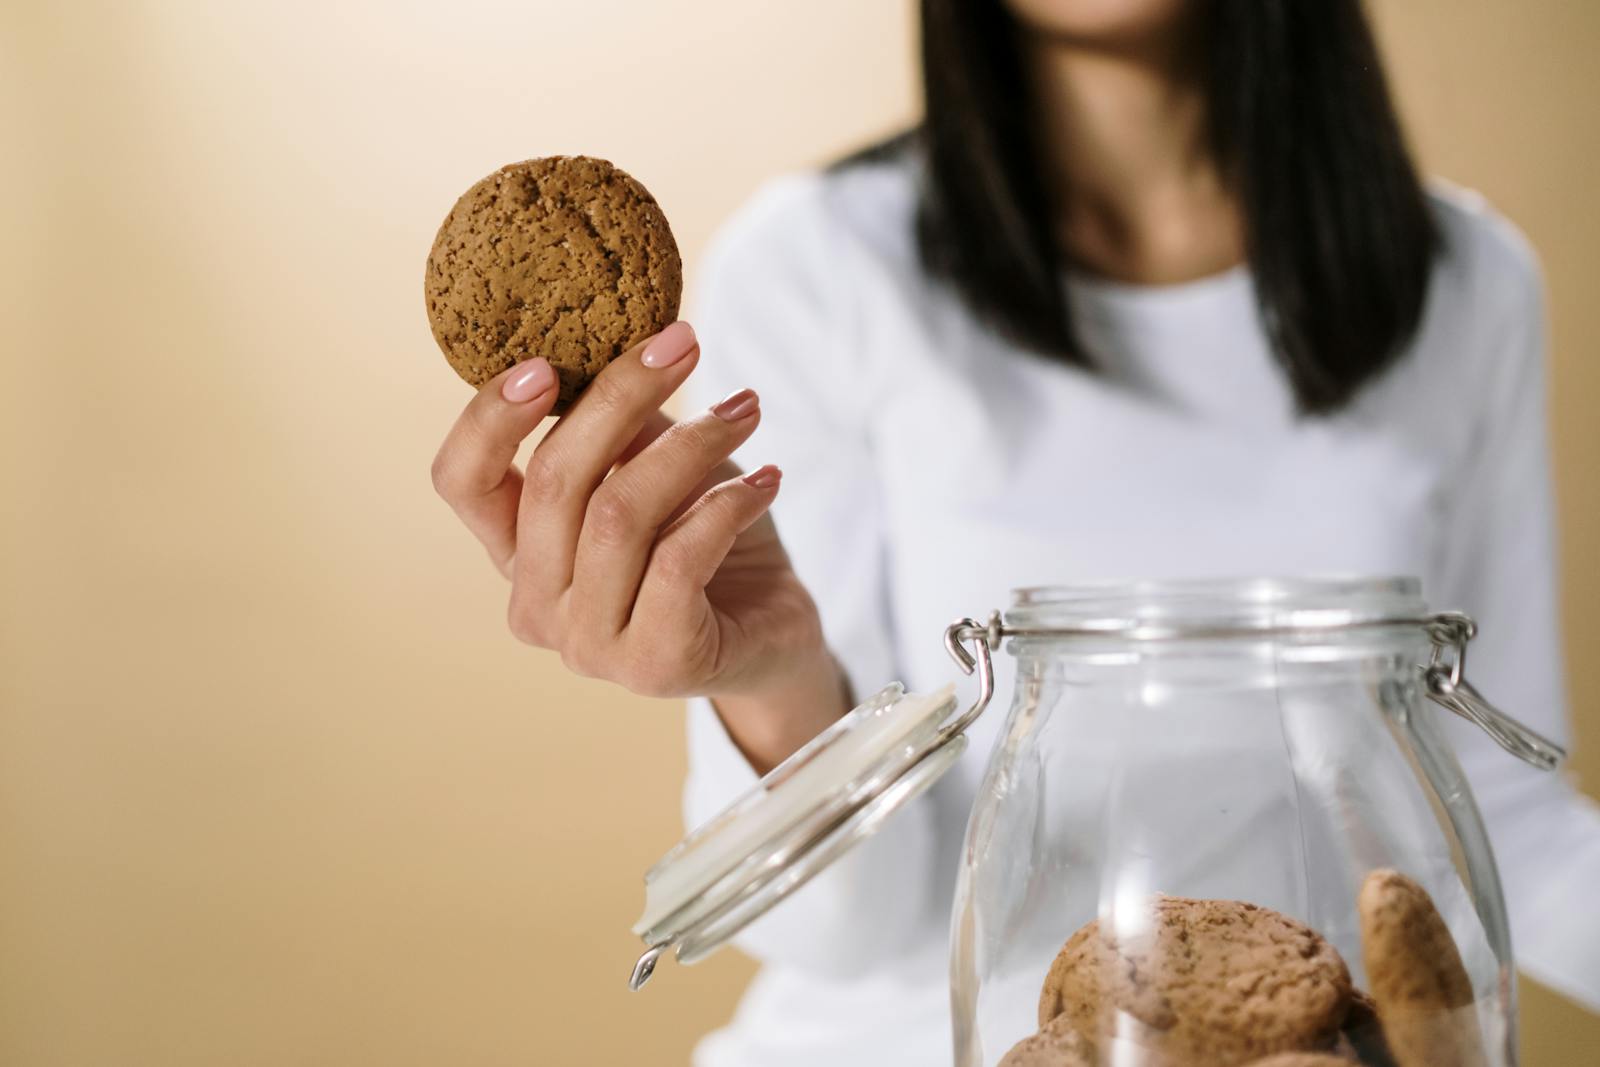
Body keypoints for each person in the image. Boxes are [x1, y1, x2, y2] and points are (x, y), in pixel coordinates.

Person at [430, 0, 1600, 1062]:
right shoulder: (820, 265)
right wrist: (780, 677)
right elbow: (845, 935)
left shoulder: (1467, 283)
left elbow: (1499, 806)